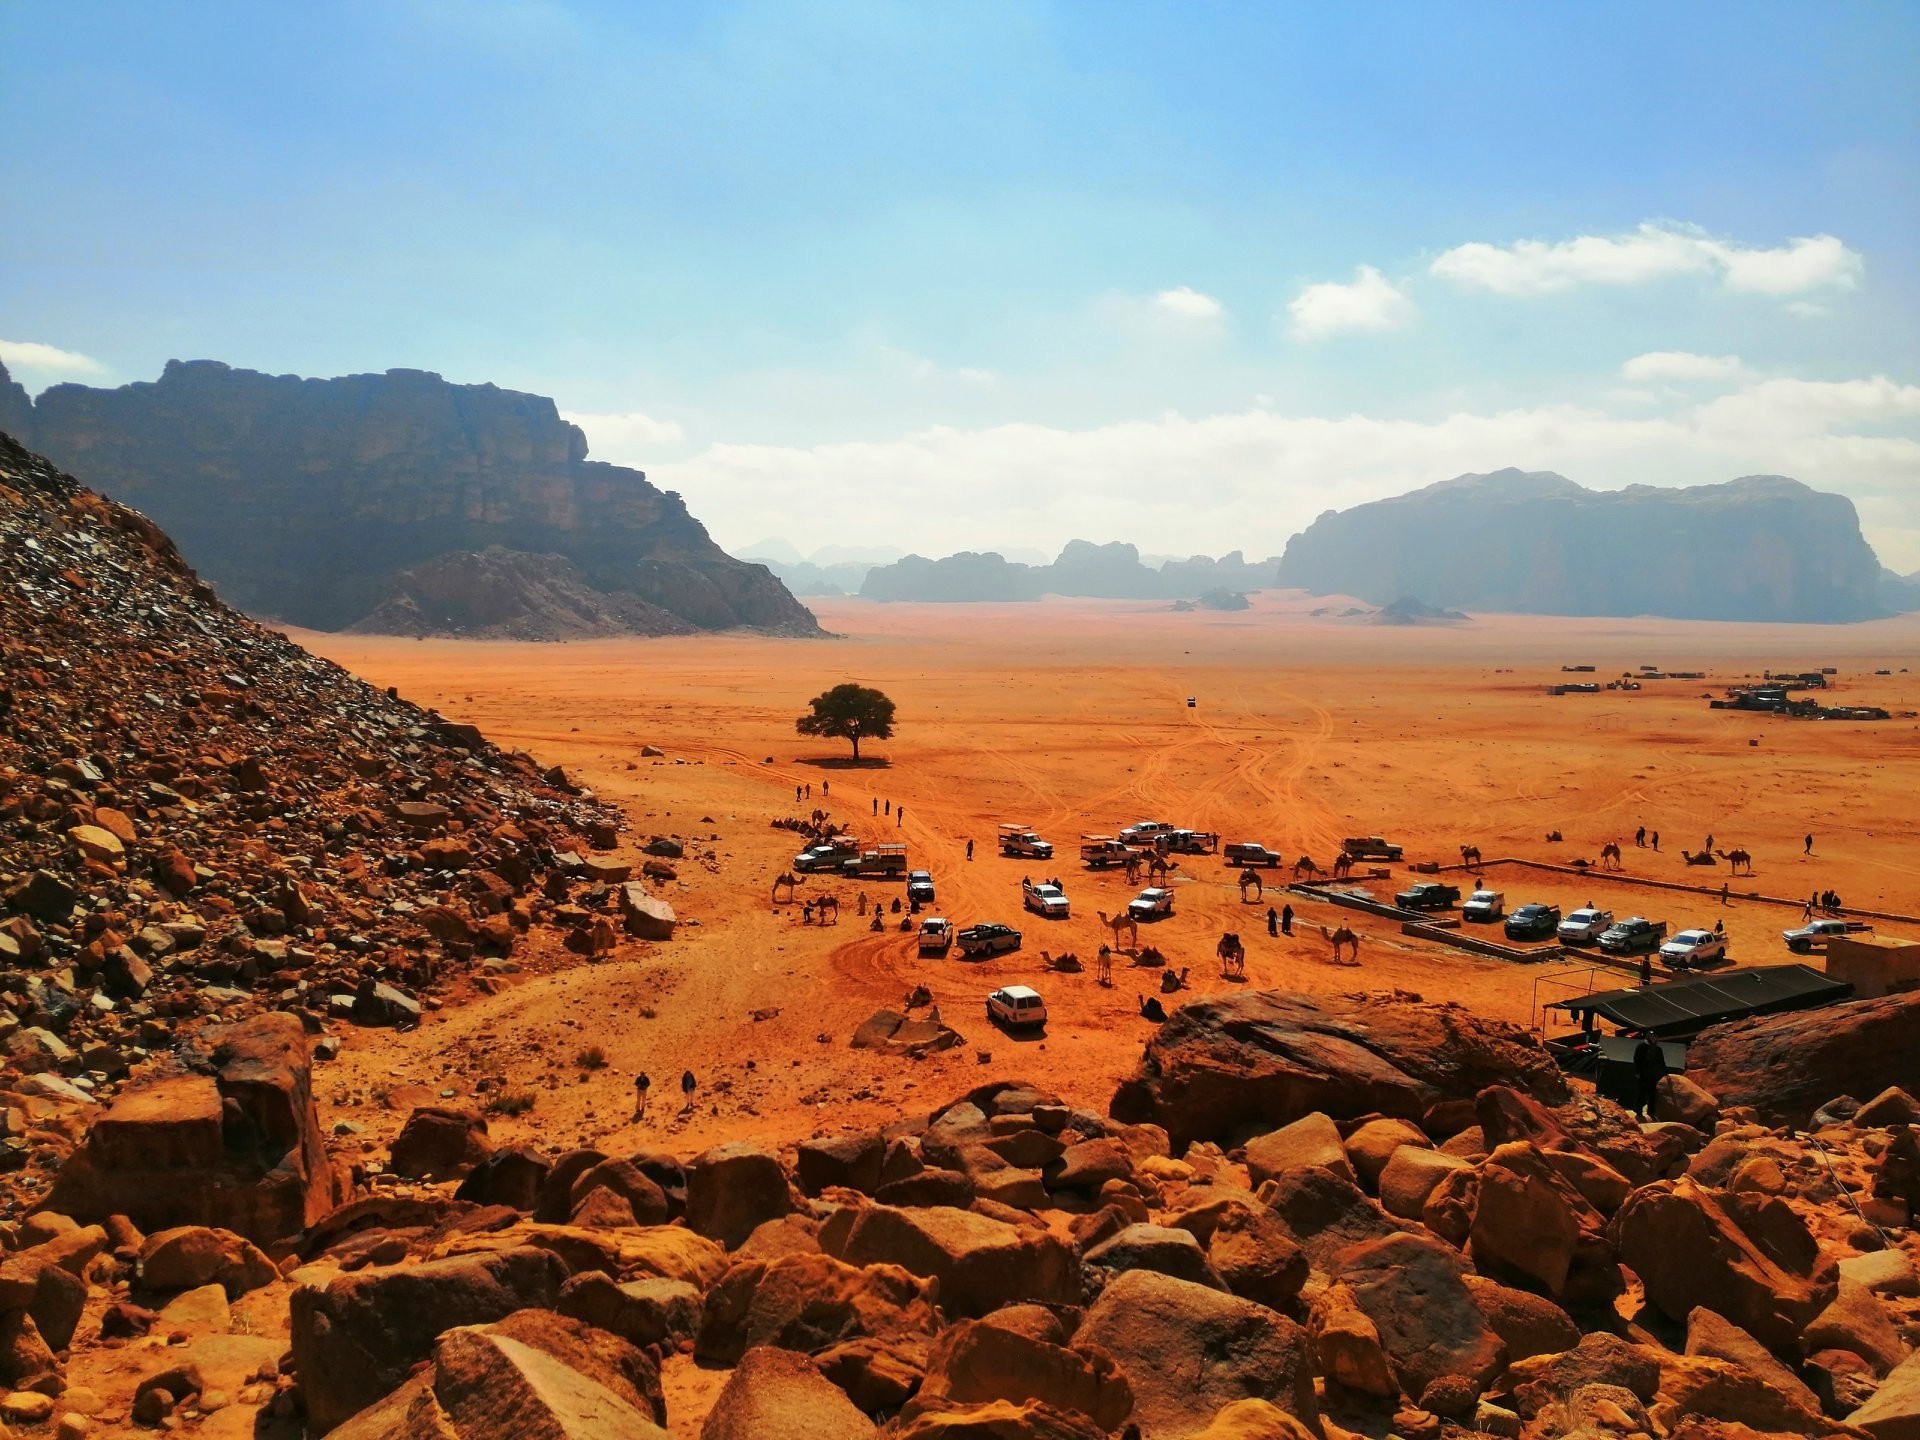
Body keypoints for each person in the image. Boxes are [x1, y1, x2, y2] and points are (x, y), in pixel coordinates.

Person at [1632, 1032, 1668, 1119]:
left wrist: (1665, 1072)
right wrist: (1637, 1072)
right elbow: (1636, 1059)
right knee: (1641, 1093)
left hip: (1652, 1074)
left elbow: (1661, 1061)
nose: (1653, 1038)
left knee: (1652, 1094)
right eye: (1651, 1036)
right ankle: (1638, 1112)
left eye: (1655, 1036)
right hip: (1642, 1074)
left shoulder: (1658, 1049)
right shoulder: (1641, 1046)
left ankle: (1651, 1111)